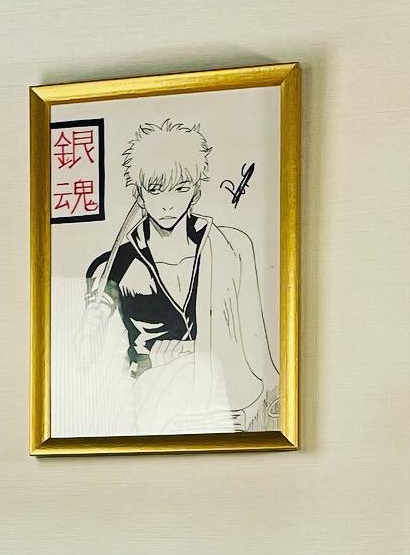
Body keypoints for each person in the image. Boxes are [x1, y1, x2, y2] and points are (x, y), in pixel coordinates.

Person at [79, 119, 279, 435]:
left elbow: (257, 345)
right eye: (156, 189)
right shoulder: (113, 266)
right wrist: (93, 322)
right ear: (139, 194)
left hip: (230, 408)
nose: (169, 202)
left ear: (196, 191)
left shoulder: (233, 247)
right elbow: (92, 359)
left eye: (181, 188)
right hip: (154, 411)